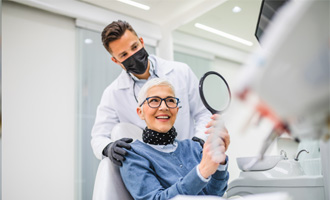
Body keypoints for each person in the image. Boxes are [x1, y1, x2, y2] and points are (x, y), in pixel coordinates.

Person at [91, 20, 220, 165]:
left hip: (191, 160)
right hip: (151, 168)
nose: (133, 55)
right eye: (124, 55)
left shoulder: (181, 72)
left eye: (134, 47)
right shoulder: (113, 94)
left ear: (141, 42)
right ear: (115, 60)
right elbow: (99, 137)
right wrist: (107, 148)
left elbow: (204, 113)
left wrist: (199, 141)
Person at [119, 78, 229, 199]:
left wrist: (220, 163)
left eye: (170, 101)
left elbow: (214, 195)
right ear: (140, 112)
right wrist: (201, 172)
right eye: (154, 100)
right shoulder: (134, 155)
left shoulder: (194, 147)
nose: (164, 107)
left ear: (176, 110)